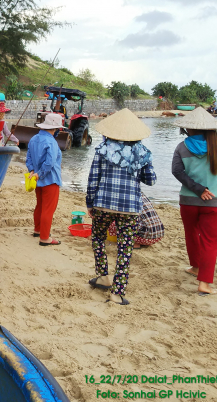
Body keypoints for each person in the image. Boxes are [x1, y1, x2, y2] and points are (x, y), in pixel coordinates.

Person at [86, 109, 156, 305]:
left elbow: (93, 179)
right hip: (130, 208)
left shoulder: (102, 150)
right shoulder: (142, 153)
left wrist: (90, 203)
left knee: (98, 237)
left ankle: (102, 276)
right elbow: (151, 180)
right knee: (125, 248)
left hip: (103, 205)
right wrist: (136, 173)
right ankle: (117, 294)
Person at [172, 107, 217, 296]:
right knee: (210, 242)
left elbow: (177, 172)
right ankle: (204, 283)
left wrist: (196, 189)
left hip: (188, 202)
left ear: (188, 129)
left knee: (192, 234)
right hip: (214, 203)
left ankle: (195, 266)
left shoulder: (182, 147)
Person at [26, 113, 64, 247]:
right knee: (48, 209)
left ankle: (38, 230)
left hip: (37, 179)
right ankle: (44, 237)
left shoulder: (34, 138)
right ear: (55, 129)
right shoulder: (51, 141)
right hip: (50, 179)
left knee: (40, 206)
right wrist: (40, 173)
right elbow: (50, 162)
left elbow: (28, 157)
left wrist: (33, 171)